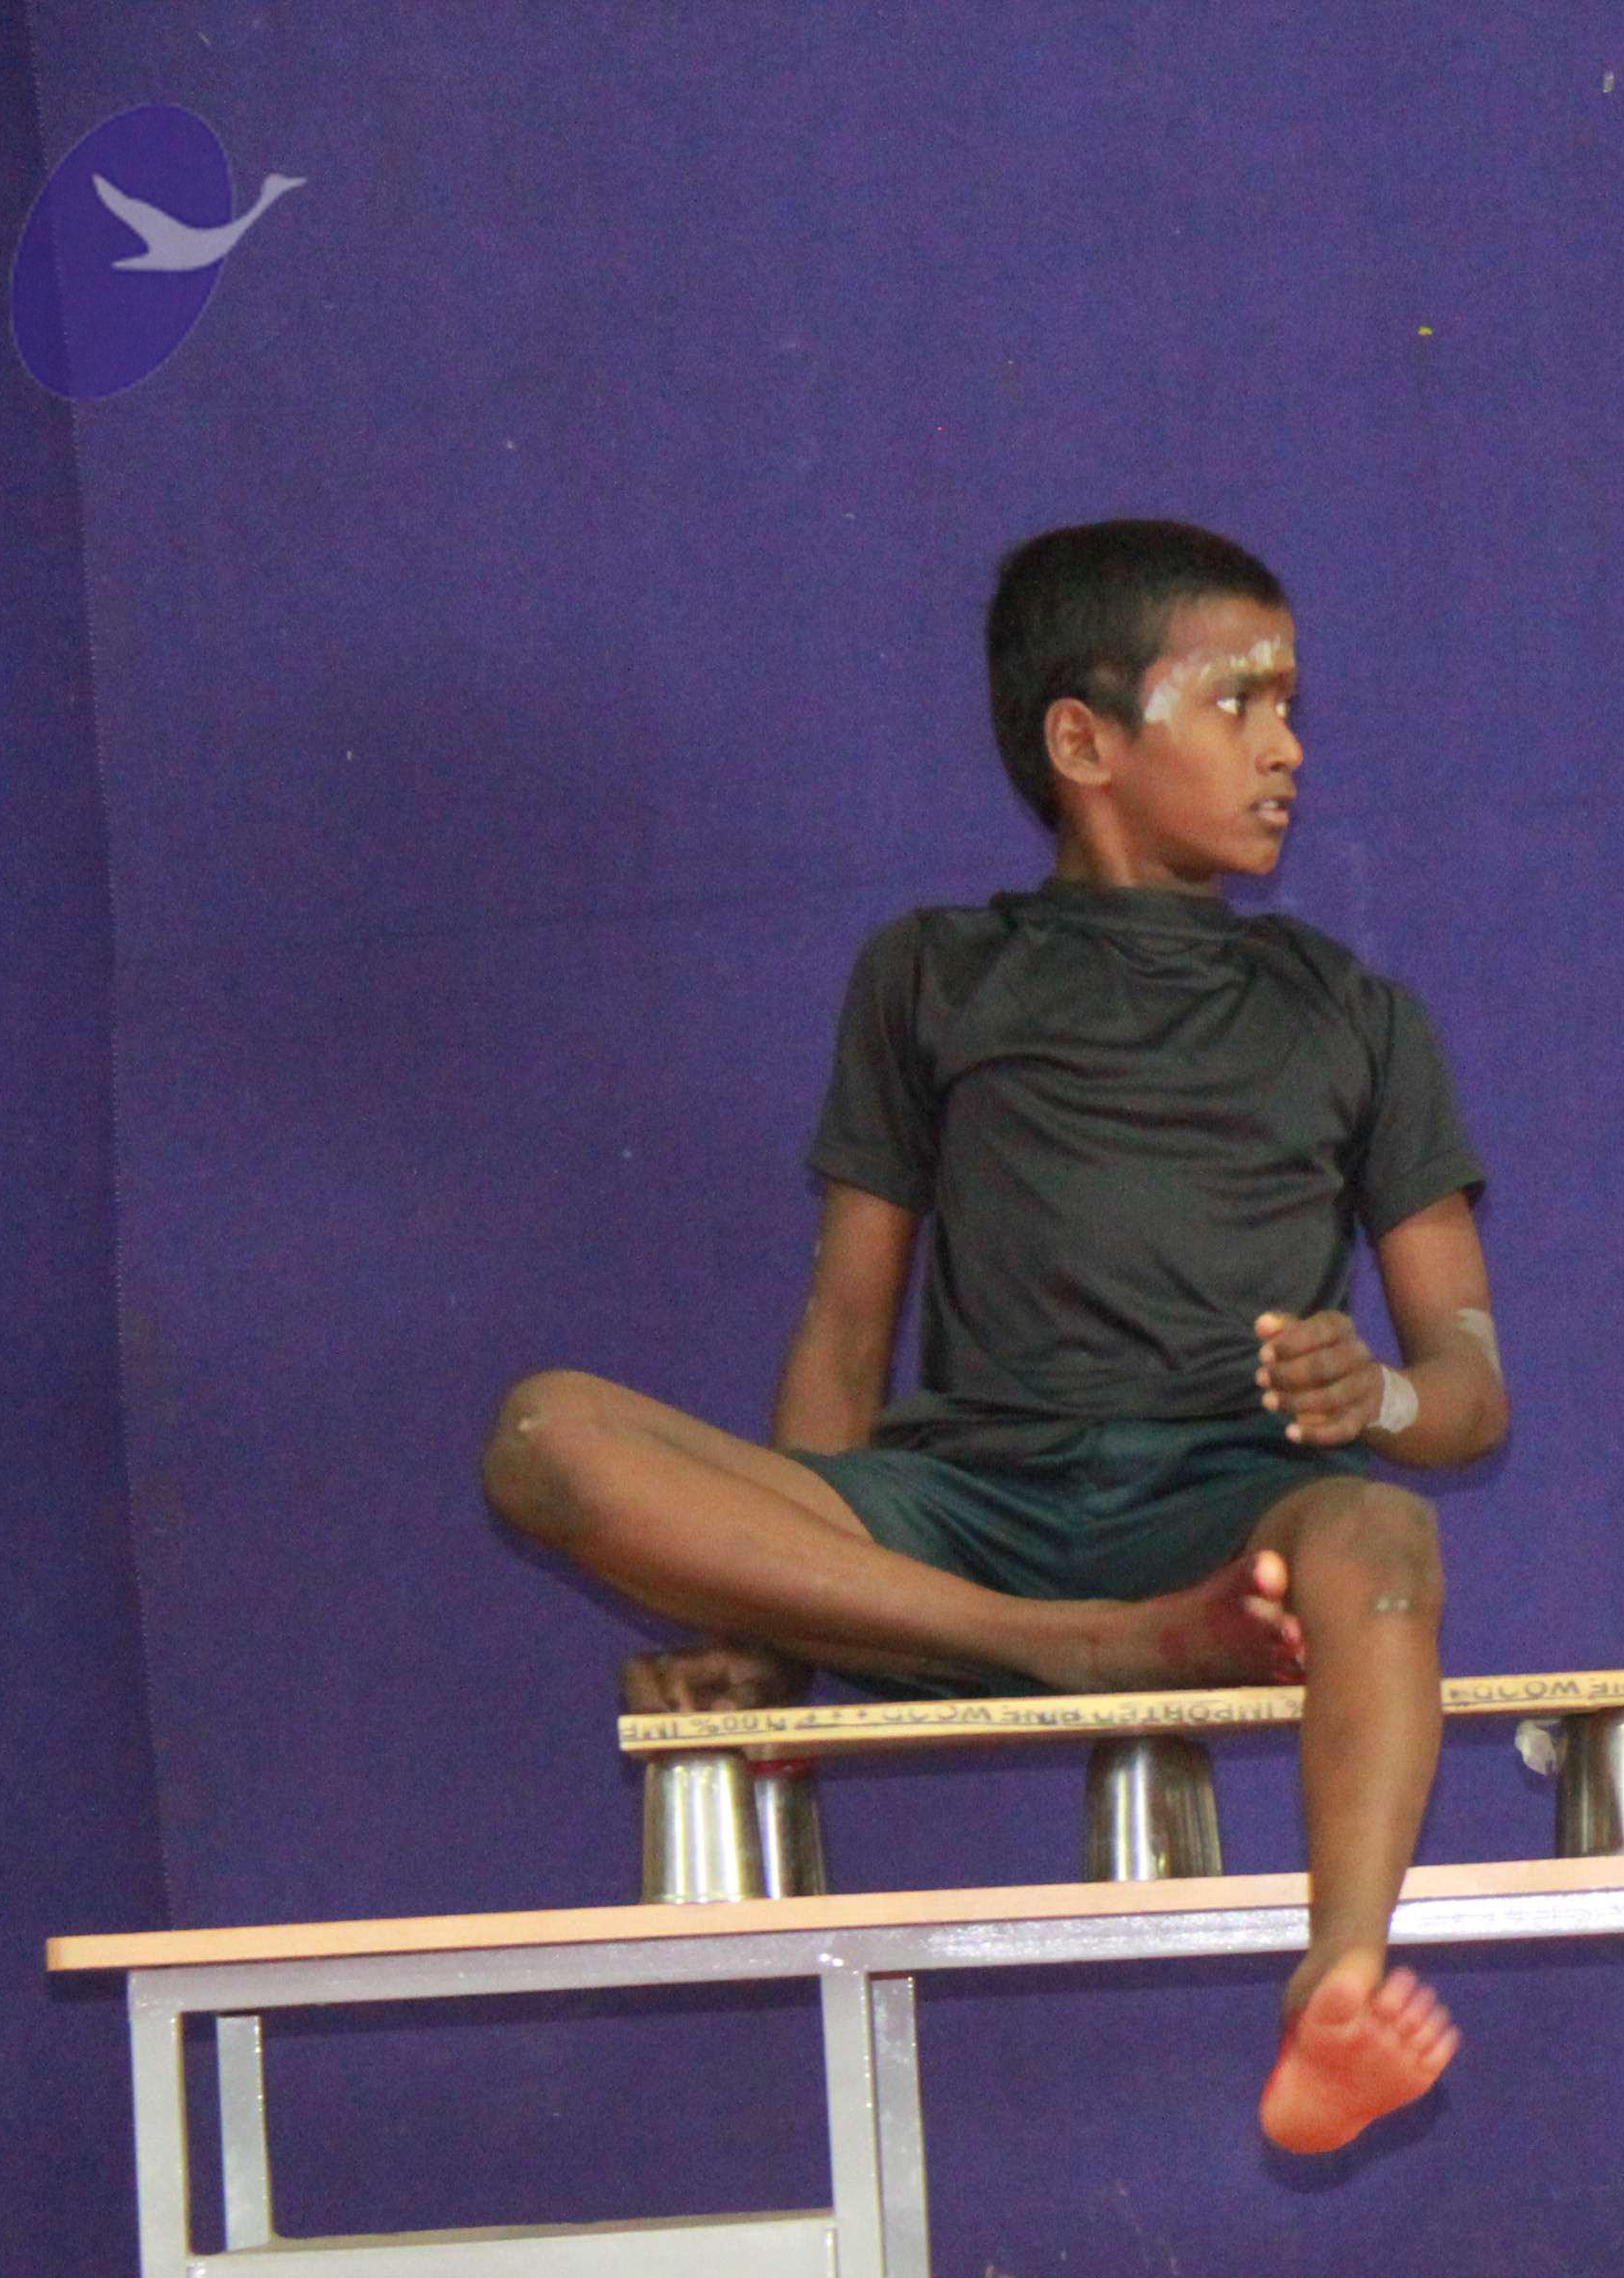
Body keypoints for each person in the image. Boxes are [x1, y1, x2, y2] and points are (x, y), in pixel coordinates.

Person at [483, 518, 1502, 2157]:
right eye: (1239, 702)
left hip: (1226, 1536)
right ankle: (1071, 1647)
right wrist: (778, 1635)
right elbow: (847, 1325)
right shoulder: (933, 975)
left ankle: (1338, 1981)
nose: (1288, 748)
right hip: (966, 1518)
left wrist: (1375, 1392)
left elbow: (1467, 1393)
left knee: (1382, 1541)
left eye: (1292, 707)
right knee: (549, 1433)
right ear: (1084, 743)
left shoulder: (1356, 1015)